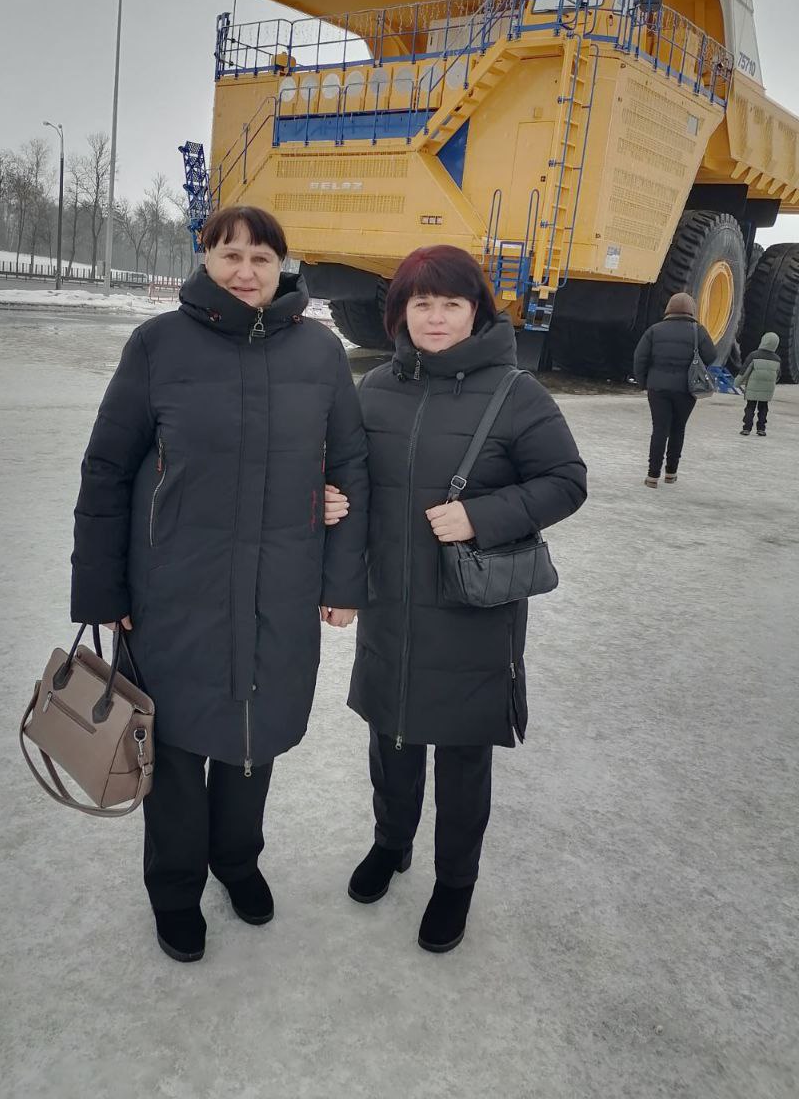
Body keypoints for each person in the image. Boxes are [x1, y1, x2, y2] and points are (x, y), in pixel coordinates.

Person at [71, 205, 368, 964]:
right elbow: (106, 470)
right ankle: (175, 889)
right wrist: (104, 594)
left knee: (252, 738)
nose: (245, 271)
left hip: (281, 587)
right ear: (205, 258)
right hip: (172, 590)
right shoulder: (157, 345)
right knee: (172, 746)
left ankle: (237, 861)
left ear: (281, 267)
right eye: (229, 254)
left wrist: (341, 582)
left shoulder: (320, 352)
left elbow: (349, 468)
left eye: (261, 258)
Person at [329, 245, 587, 954]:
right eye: (422, 303)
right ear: (400, 311)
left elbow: (566, 481)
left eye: (451, 304)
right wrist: (328, 503)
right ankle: (392, 843)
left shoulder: (516, 393)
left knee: (464, 756)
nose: (436, 318)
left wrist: (482, 515)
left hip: (473, 610)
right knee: (392, 737)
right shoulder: (375, 388)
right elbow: (350, 481)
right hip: (391, 603)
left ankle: (455, 882)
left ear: (477, 312)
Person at [632, 292, 717, 488]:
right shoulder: (698, 331)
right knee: (678, 429)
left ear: (669, 308)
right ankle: (671, 473)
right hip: (686, 390)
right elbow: (711, 356)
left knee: (659, 430)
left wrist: (644, 382)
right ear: (691, 310)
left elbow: (640, 358)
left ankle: (652, 476)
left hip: (658, 388)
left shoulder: (654, 330)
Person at [736, 332, 781, 436]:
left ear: (763, 341)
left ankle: (747, 428)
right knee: (764, 408)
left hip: (753, 387)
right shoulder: (777, 359)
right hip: (767, 389)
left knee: (750, 407)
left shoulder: (754, 355)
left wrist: (737, 382)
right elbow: (778, 375)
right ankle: (761, 429)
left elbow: (745, 371)